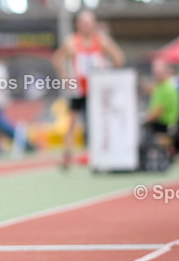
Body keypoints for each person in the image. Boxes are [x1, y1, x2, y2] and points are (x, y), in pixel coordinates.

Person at [53, 12, 125, 168]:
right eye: (83, 23)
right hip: (78, 88)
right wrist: (65, 77)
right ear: (78, 24)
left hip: (97, 89)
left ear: (93, 24)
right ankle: (67, 156)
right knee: (72, 121)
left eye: (89, 23)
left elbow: (118, 58)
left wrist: (107, 72)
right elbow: (57, 59)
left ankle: (98, 153)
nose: (86, 26)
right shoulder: (71, 42)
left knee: (99, 121)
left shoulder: (101, 40)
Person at [146, 59, 179, 142]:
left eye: (158, 73)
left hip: (165, 126)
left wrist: (145, 119)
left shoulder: (167, 88)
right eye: (155, 73)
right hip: (162, 124)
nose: (156, 76)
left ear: (166, 72)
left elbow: (158, 111)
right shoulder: (160, 87)